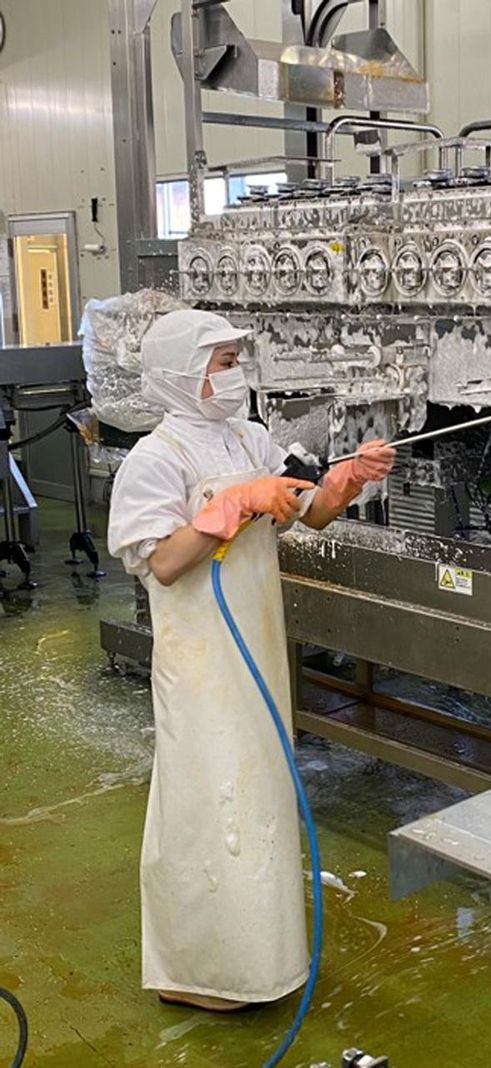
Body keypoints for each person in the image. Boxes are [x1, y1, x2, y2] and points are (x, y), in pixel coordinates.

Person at [107, 309, 395, 1012]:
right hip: (201, 658)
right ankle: (199, 971)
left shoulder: (249, 436)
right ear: (181, 373)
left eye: (236, 360)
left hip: (257, 645)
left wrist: (345, 481)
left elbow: (309, 511)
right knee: (207, 800)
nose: (235, 374)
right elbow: (163, 562)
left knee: (257, 796)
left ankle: (261, 961)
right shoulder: (156, 458)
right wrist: (231, 505)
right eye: (223, 362)